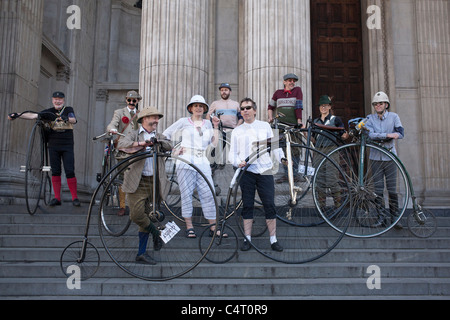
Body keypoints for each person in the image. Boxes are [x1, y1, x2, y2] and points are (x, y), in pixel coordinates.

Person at [117, 106, 172, 265]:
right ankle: (156, 234)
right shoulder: (134, 133)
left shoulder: (159, 135)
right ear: (144, 119)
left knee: (149, 216)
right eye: (153, 117)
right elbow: (122, 144)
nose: (156, 120)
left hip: (154, 182)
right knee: (136, 215)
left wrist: (158, 141)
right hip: (138, 181)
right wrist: (143, 143)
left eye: (157, 118)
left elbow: (169, 145)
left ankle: (141, 253)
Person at [229, 98, 284, 252]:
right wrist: (238, 161)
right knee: (247, 204)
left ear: (254, 110)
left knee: (269, 204)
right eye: (242, 108)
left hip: (265, 170)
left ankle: (273, 240)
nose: (245, 111)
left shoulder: (265, 125)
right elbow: (231, 154)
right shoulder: (237, 131)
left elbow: (274, 146)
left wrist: (283, 159)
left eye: (248, 108)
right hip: (247, 171)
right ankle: (247, 238)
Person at [163, 95, 222, 238]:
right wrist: (173, 150)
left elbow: (214, 143)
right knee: (186, 194)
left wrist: (215, 126)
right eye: (195, 106)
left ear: (204, 109)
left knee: (208, 193)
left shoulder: (208, 124)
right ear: (190, 108)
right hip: (185, 161)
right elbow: (165, 134)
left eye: (201, 106)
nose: (198, 108)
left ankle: (213, 226)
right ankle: (189, 226)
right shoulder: (184, 122)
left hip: (202, 160)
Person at [8, 92, 80, 207]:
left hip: (67, 146)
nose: (58, 101)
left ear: (63, 101)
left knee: (70, 170)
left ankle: (74, 198)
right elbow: (32, 115)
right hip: (53, 145)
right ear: (52, 100)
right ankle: (57, 198)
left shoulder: (68, 109)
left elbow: (73, 120)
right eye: (56, 99)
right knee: (55, 171)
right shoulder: (49, 112)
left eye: (60, 99)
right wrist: (17, 114)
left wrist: (67, 118)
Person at [365, 91, 405, 229]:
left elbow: (400, 133)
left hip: (390, 158)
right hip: (375, 158)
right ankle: (381, 217)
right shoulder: (369, 118)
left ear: (386, 104)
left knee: (392, 189)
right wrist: (387, 135)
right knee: (378, 190)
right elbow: (370, 135)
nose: (378, 106)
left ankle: (395, 218)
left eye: (380, 103)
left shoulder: (394, 117)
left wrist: (383, 135)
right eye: (376, 104)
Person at [106, 90, 142, 216]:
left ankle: (135, 205)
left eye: (134, 100)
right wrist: (112, 129)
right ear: (126, 100)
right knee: (122, 178)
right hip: (123, 149)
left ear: (137, 101)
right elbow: (113, 123)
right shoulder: (119, 112)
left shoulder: (140, 114)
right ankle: (122, 205)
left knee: (137, 177)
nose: (132, 102)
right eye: (129, 100)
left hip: (137, 149)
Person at [313, 95, 349, 209]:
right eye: (321, 106)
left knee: (332, 178)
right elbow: (313, 139)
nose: (323, 108)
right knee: (319, 179)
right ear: (319, 107)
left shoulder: (335, 119)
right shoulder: (315, 121)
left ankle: (337, 206)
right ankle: (322, 207)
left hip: (331, 150)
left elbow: (343, 134)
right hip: (318, 151)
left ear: (329, 106)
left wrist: (345, 136)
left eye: (325, 105)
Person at [268, 73, 304, 183]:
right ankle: (286, 174)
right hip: (280, 126)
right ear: (284, 82)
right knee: (282, 149)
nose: (292, 82)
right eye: (289, 80)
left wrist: (299, 122)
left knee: (295, 149)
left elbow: (298, 106)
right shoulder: (277, 93)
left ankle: (295, 174)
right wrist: (270, 117)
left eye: (293, 80)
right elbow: (270, 106)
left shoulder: (297, 90)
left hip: (293, 125)